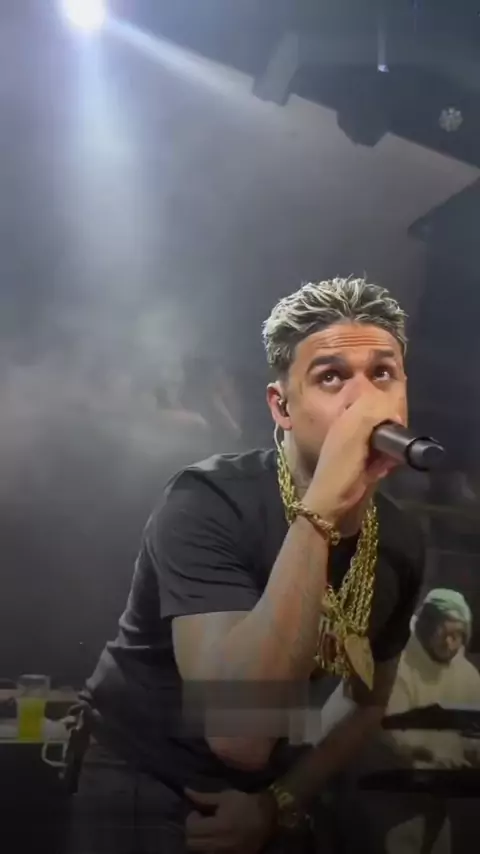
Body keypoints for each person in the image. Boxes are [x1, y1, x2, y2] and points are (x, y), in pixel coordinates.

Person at [66, 277, 425, 854]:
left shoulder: (402, 539)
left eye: (383, 373)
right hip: (144, 768)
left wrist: (281, 801)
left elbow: (367, 703)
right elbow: (239, 734)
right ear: (282, 406)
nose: (364, 402)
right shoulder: (208, 500)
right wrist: (322, 510)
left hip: (266, 785)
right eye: (331, 377)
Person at [380, 588, 480, 854]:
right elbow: (391, 731)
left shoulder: (467, 676)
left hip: (441, 803)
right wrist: (431, 754)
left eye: (457, 635)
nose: (450, 643)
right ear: (426, 627)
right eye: (443, 634)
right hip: (392, 800)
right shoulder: (399, 664)